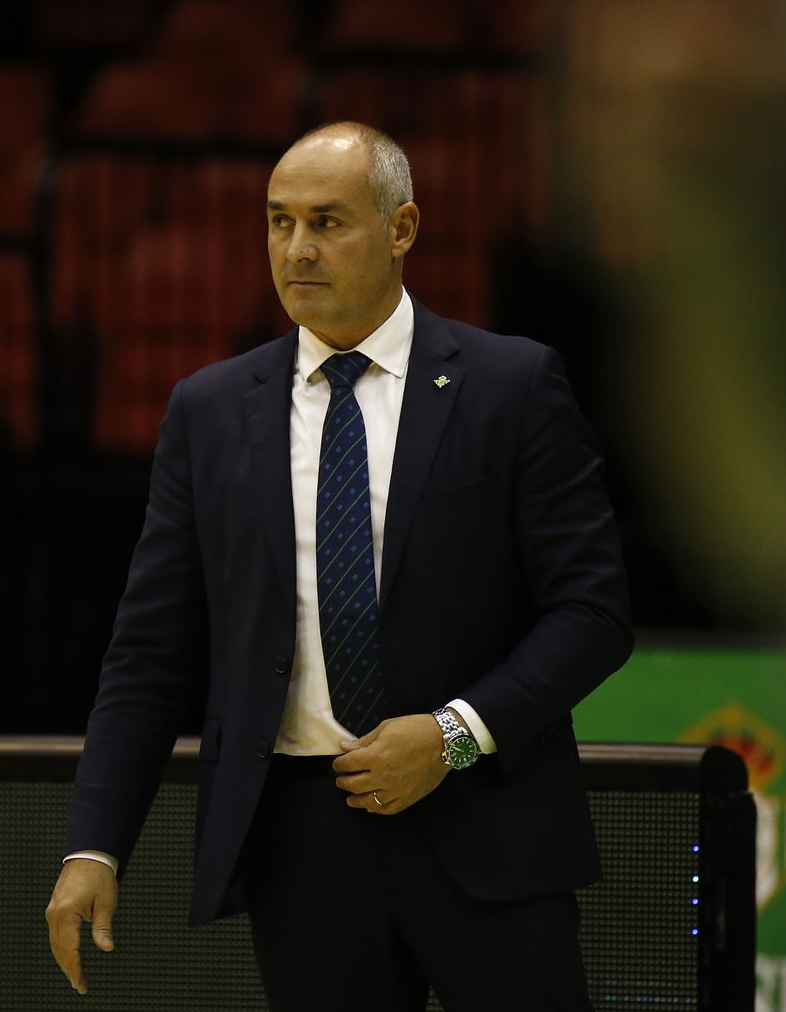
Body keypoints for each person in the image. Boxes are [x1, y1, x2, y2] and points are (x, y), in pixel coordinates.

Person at [44, 122, 633, 1011]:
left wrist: (453, 734)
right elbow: (150, 654)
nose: (296, 249)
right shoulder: (209, 411)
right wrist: (94, 846)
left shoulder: (511, 386)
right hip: (303, 840)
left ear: (402, 229)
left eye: (327, 222)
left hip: (483, 815)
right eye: (279, 222)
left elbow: (592, 614)